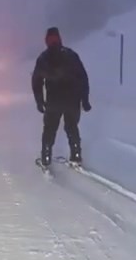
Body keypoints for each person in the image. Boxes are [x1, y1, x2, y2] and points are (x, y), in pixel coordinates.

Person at [31, 27, 91, 168]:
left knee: (50, 129)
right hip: (72, 100)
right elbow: (83, 77)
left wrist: (40, 101)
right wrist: (85, 99)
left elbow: (36, 81)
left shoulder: (43, 58)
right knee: (72, 127)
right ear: (60, 39)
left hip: (54, 101)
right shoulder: (71, 55)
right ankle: (76, 155)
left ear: (47, 41)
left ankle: (46, 157)